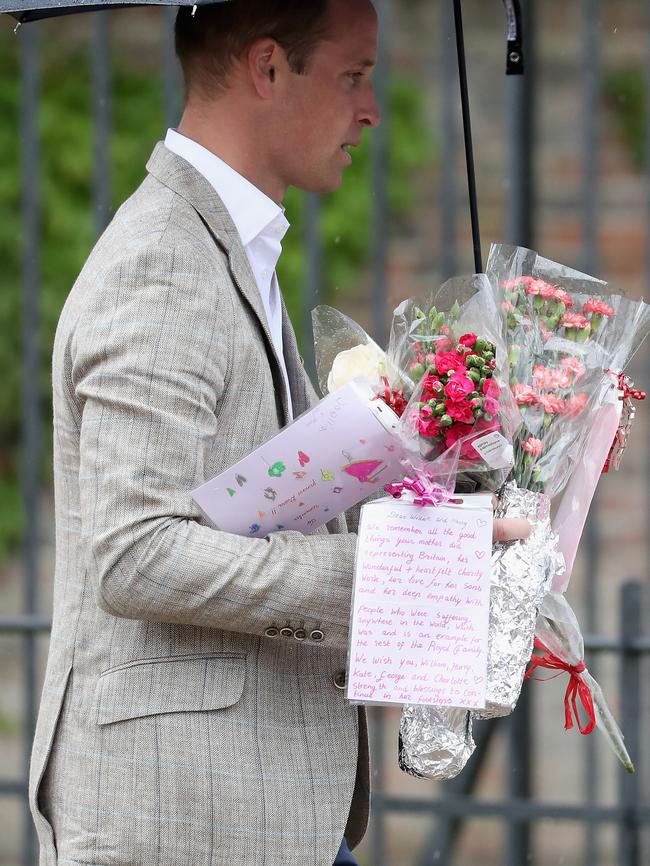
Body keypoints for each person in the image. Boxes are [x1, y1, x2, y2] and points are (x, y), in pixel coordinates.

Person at [29, 2, 529, 865]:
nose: (371, 108)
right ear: (267, 69)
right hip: (183, 820)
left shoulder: (227, 249)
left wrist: (454, 474)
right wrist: (400, 567)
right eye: (353, 75)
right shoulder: (162, 265)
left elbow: (265, 498)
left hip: (264, 809)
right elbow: (135, 553)